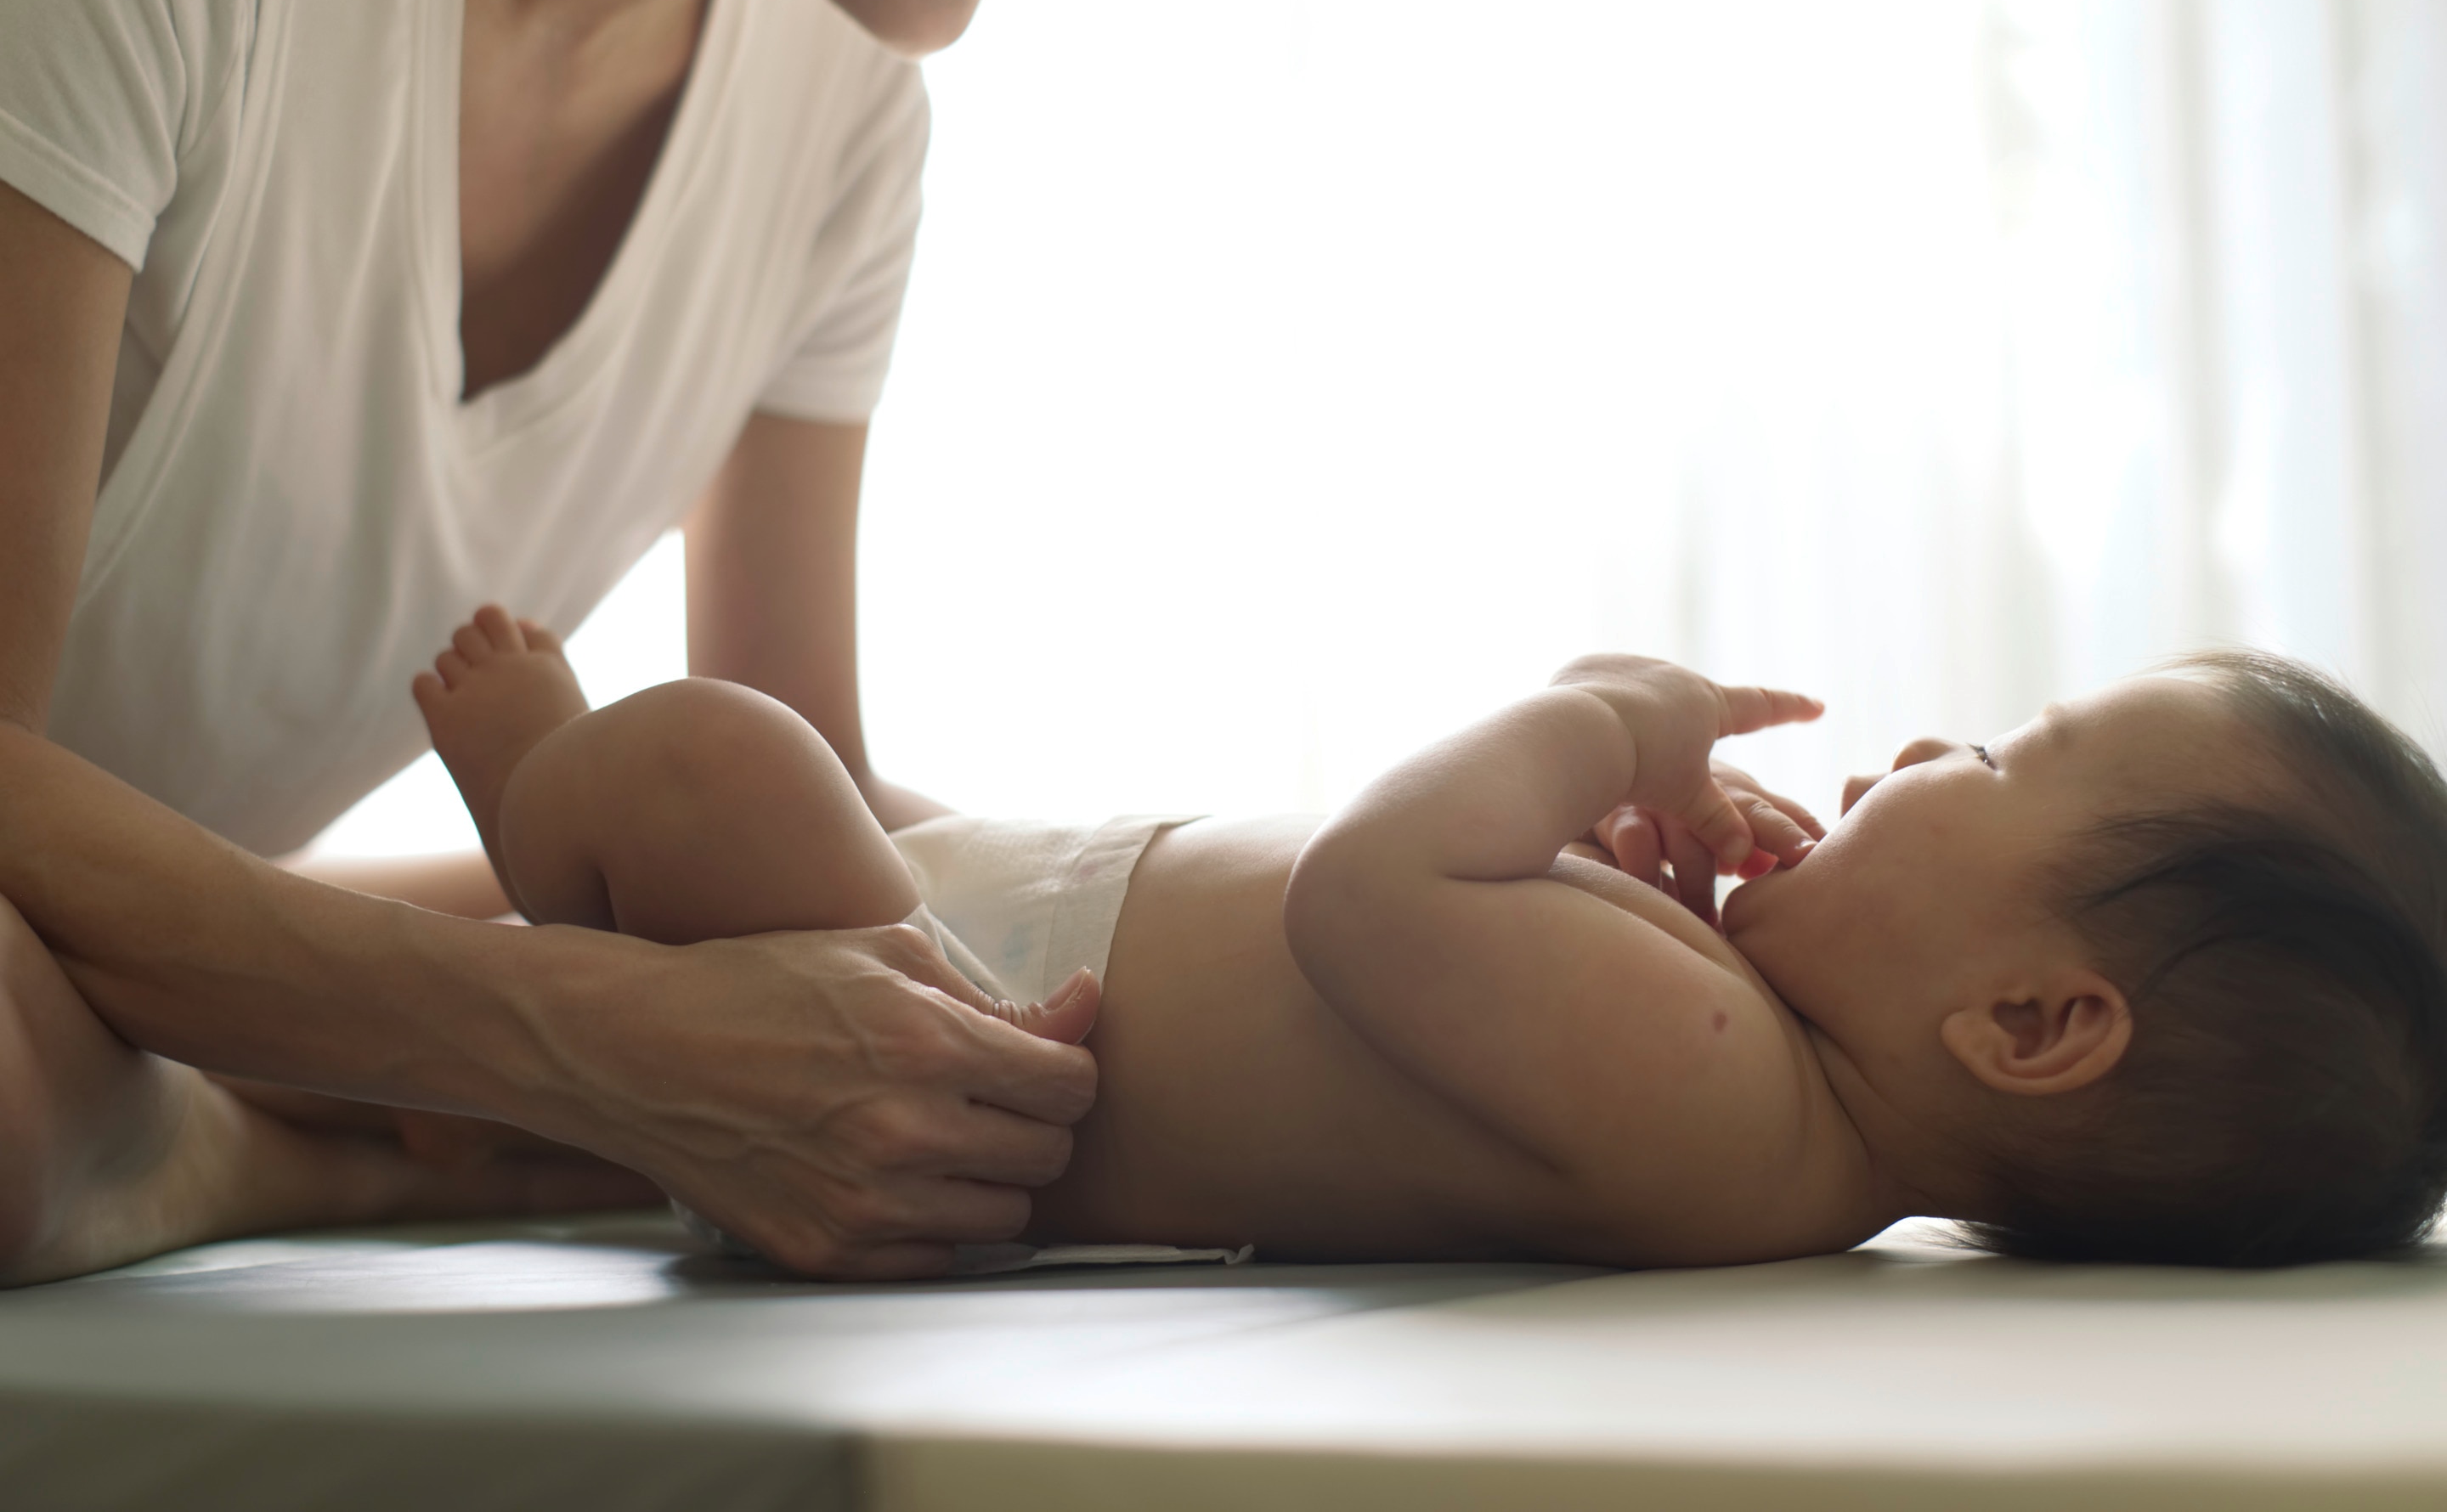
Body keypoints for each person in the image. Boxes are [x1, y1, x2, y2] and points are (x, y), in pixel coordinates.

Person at [0, 0, 1133, 1286]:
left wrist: (1203, 897)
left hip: (104, 920)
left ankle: (267, 1092)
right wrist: (582, 1044)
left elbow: (809, 809)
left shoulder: (837, 111)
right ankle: (260, 1152)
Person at [408, 606, 2447, 1271]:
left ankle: (549, 819)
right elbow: (1451, 980)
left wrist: (1588, 724)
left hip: (944, 1021)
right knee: (868, 811)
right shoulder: (1743, 1072)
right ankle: (515, 1073)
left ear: (2025, 1018)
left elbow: (1364, 890)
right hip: (1021, 913)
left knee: (728, 774)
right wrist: (1618, 881)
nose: (1926, 742)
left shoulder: (1722, 1088)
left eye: (2004, 756)